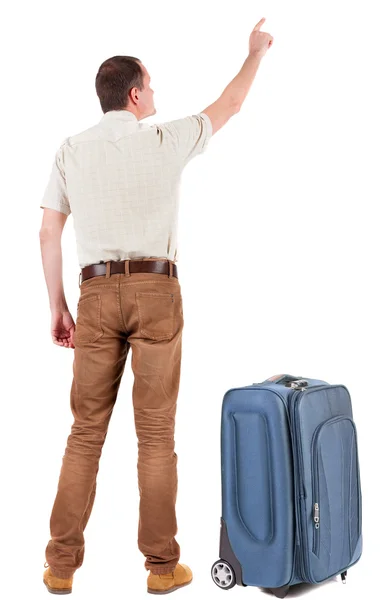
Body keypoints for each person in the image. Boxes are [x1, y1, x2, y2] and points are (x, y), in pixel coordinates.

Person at [40, 17, 273, 596]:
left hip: (92, 295)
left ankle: (61, 567)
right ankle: (163, 567)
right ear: (136, 94)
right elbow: (233, 103)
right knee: (154, 435)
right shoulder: (166, 139)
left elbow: (48, 232)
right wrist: (255, 52)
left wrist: (58, 308)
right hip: (156, 291)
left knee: (84, 432)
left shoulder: (71, 149)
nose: (156, 95)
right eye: (152, 86)